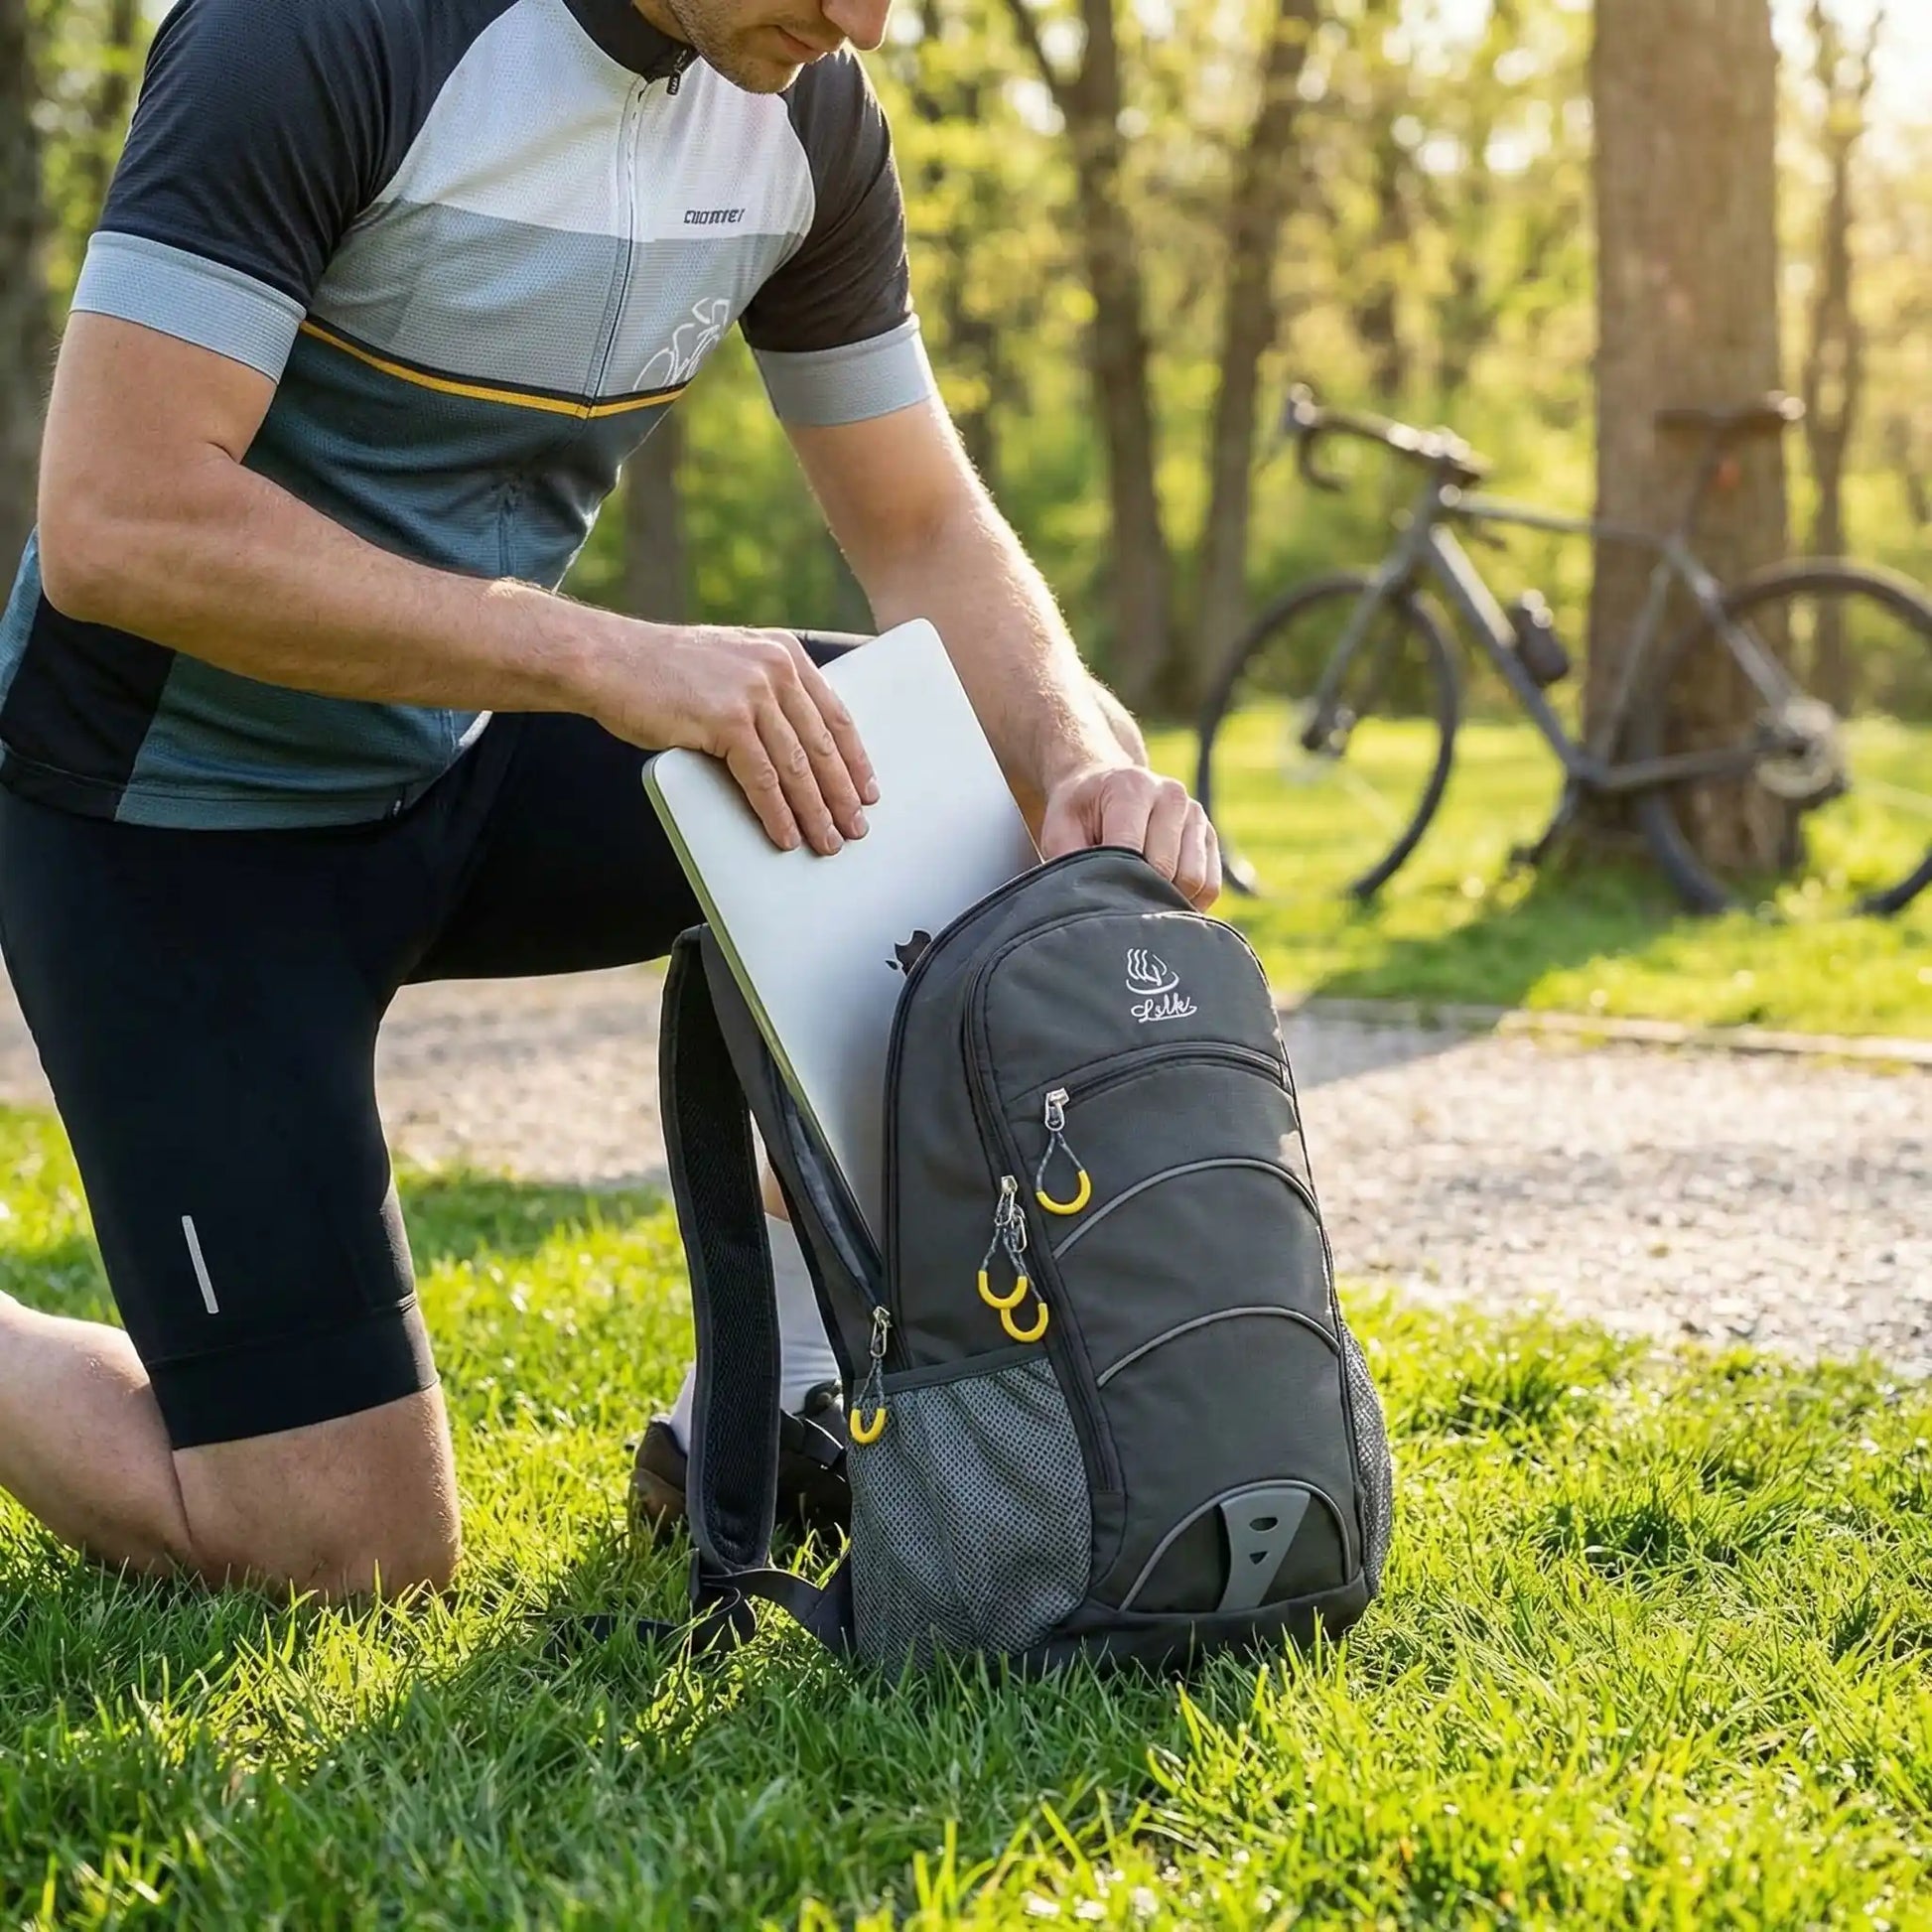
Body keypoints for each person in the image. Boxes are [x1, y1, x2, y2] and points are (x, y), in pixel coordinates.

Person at [0, 0, 1220, 1602]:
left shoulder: (812, 113)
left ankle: (780, 1403)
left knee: (975, 791)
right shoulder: (310, 35)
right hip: (170, 820)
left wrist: (1077, 762)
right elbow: (117, 521)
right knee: (342, 1553)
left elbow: (919, 519)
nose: (868, 21)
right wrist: (594, 655)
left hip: (468, 750)